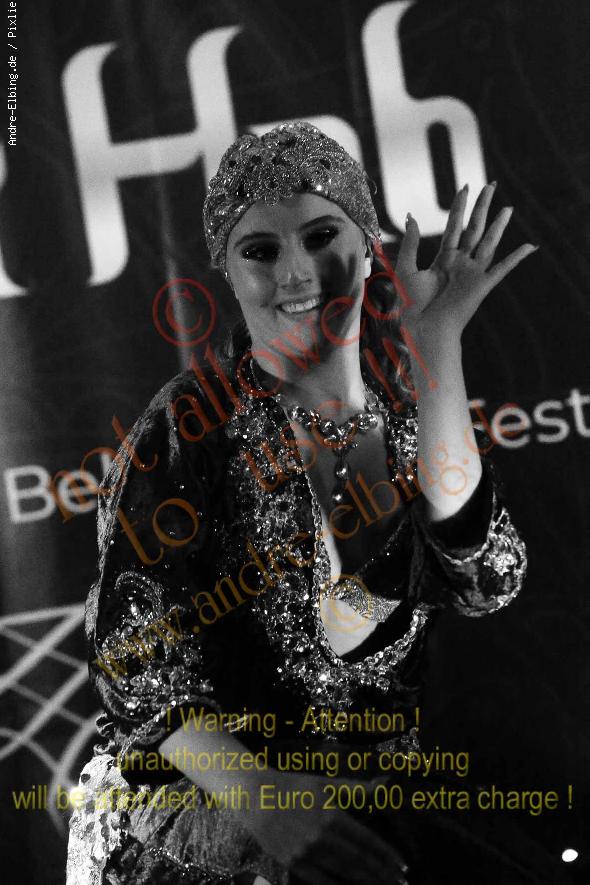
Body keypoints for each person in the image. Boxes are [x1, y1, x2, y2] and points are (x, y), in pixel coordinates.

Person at [66, 122, 567, 885]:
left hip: (355, 823)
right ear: (229, 271)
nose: (296, 272)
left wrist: (437, 343)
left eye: (321, 235)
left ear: (368, 244)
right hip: (203, 829)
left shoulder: (408, 428)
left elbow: (482, 571)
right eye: (260, 250)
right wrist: (265, 801)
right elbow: (137, 659)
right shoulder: (190, 424)